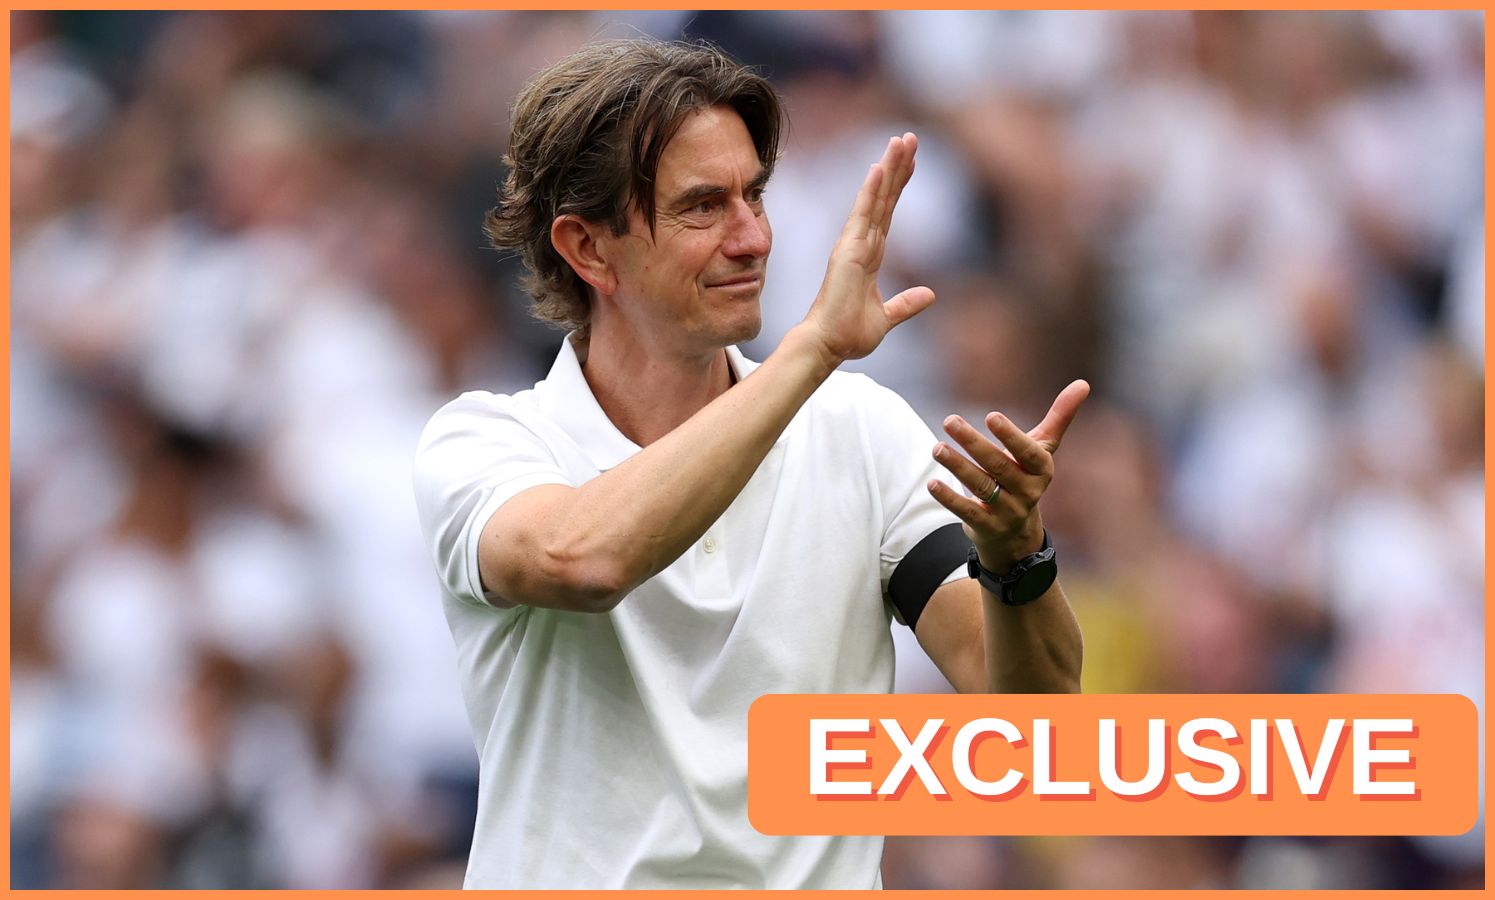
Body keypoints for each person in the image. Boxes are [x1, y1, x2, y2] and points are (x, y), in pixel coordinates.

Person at [412, 38, 1087, 889]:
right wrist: (814, 352)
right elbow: (583, 559)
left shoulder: (861, 430)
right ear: (587, 249)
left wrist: (1015, 558)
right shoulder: (483, 441)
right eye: (702, 207)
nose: (753, 237)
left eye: (754, 195)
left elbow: (1030, 737)